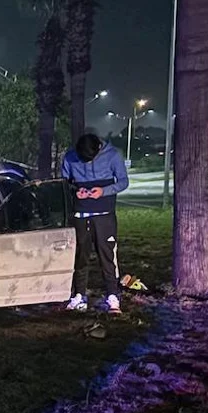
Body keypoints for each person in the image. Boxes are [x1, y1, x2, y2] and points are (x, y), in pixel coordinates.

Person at [61, 133, 129, 314]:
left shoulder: (113, 155)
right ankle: (78, 295)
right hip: (80, 214)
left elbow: (123, 182)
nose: (85, 162)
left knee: (107, 255)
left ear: (99, 148)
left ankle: (113, 295)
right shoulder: (69, 157)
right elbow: (65, 183)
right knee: (80, 255)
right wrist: (76, 190)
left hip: (104, 214)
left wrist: (104, 191)